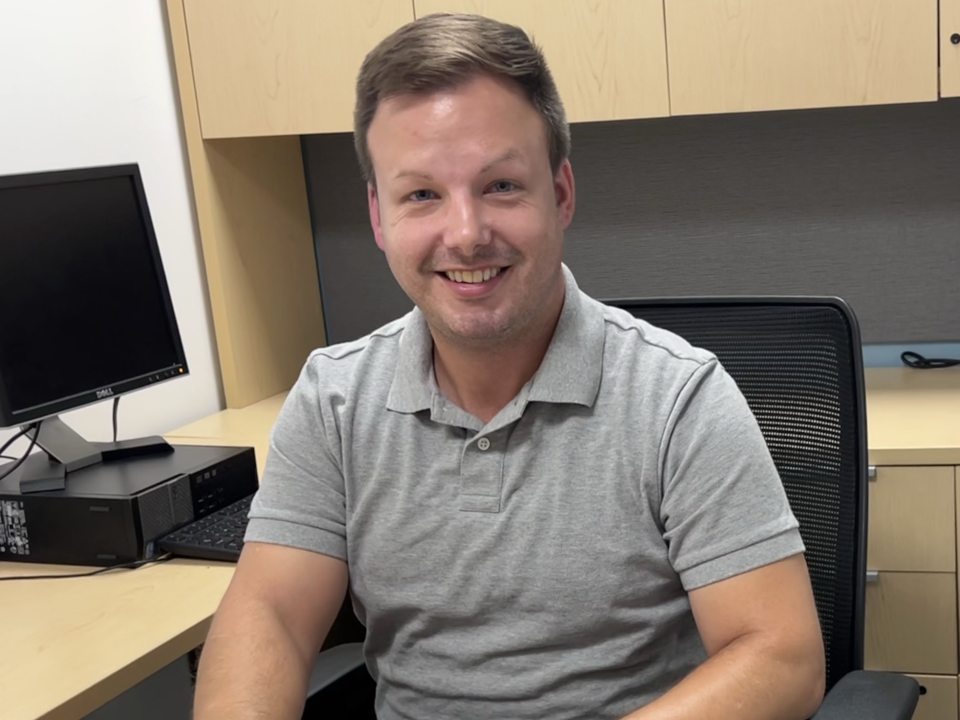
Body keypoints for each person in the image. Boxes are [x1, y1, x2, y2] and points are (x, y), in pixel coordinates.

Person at [193, 13, 825, 720]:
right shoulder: (333, 399)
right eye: (422, 195)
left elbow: (781, 657)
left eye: (500, 185)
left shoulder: (677, 397)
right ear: (379, 217)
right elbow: (271, 616)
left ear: (561, 194)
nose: (465, 235)